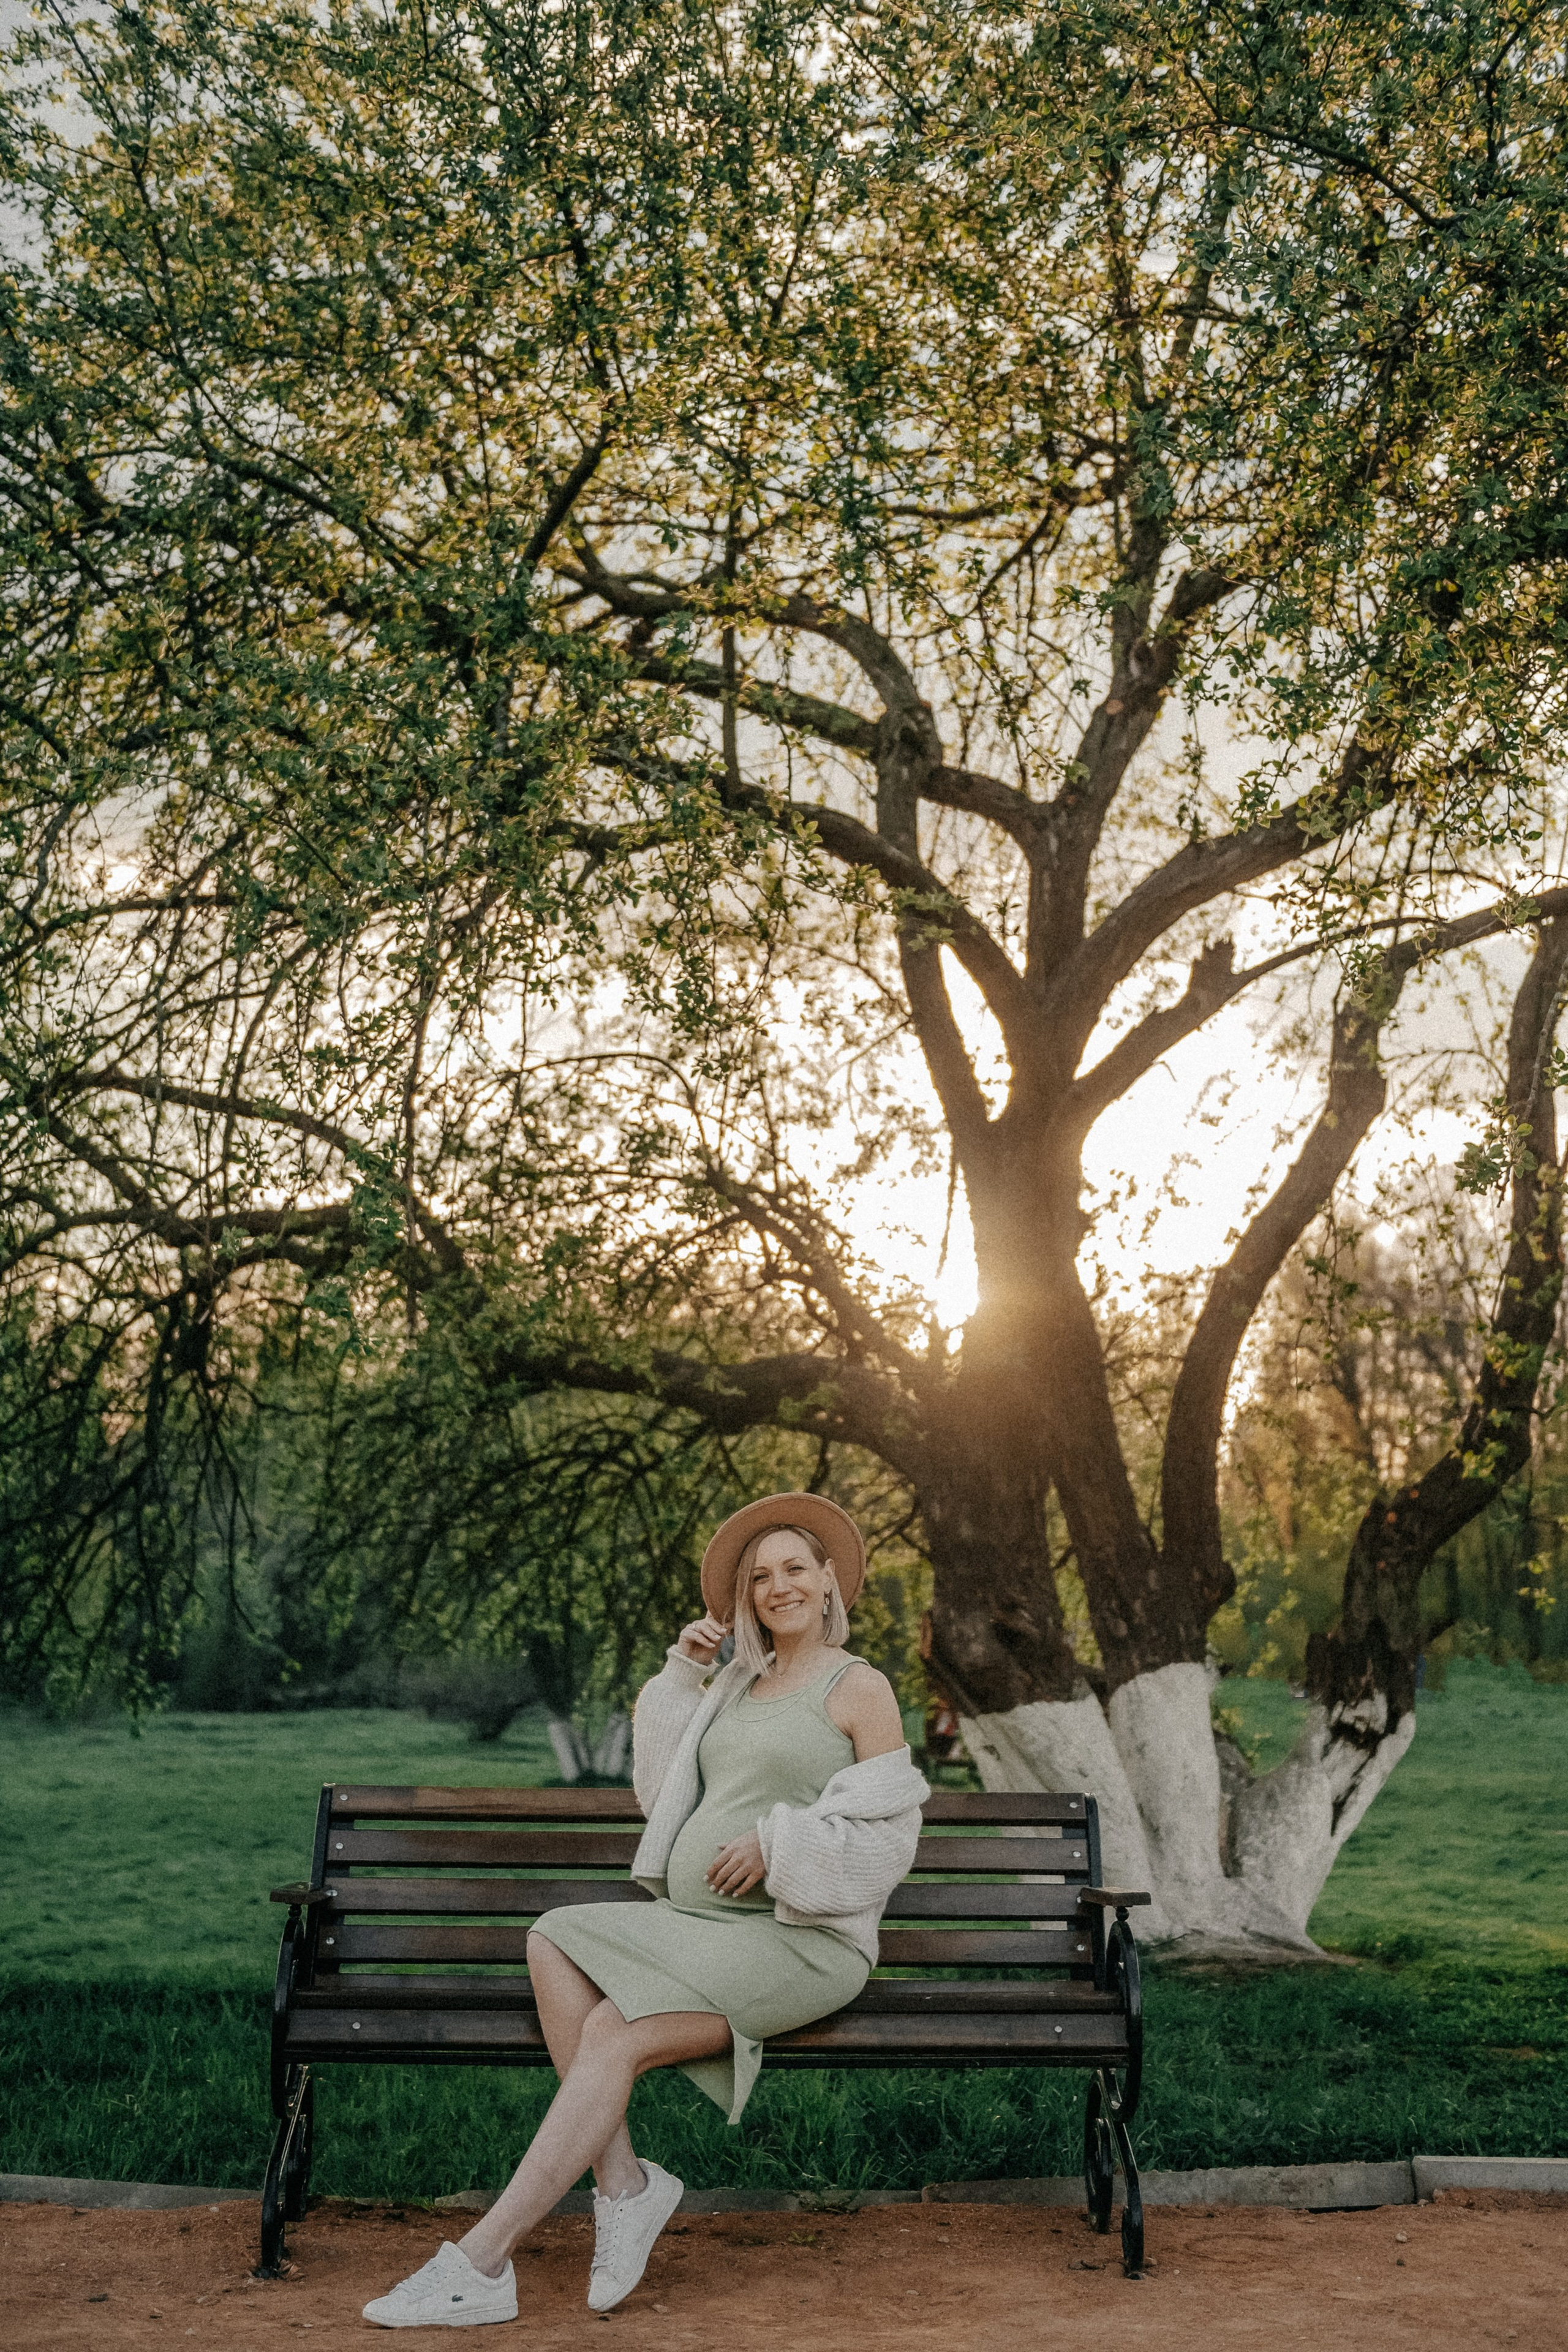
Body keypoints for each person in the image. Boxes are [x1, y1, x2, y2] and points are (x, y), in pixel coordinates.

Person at [363, 1493, 929, 2328]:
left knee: (609, 2036)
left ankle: (481, 2262)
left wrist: (783, 1844)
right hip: (700, 1928)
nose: (779, 1587)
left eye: (795, 1569)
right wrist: (681, 1674)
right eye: (761, 1576)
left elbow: (893, 1829)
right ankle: (623, 2186)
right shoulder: (737, 1679)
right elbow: (661, 1793)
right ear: (747, 1595)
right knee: (553, 1936)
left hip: (798, 1941)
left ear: (828, 1580)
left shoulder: (860, 1686)